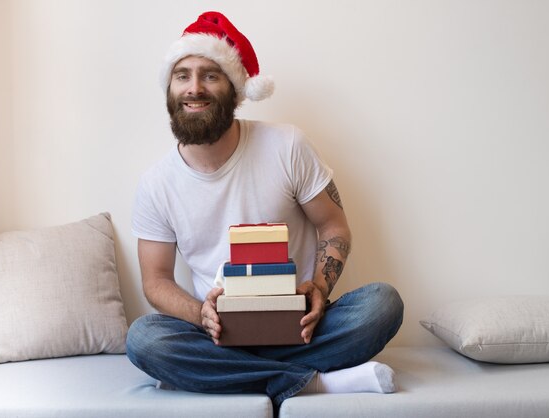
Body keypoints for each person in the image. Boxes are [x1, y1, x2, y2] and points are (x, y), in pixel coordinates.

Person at [126, 11, 404, 408]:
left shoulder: (287, 146)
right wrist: (200, 313)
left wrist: (319, 288)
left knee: (382, 303)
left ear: (235, 90)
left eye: (210, 75)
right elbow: (155, 281)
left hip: (298, 326)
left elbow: (334, 226)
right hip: (218, 335)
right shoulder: (156, 184)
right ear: (170, 88)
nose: (194, 88)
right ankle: (314, 383)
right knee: (145, 340)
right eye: (182, 75)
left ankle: (220, 377)